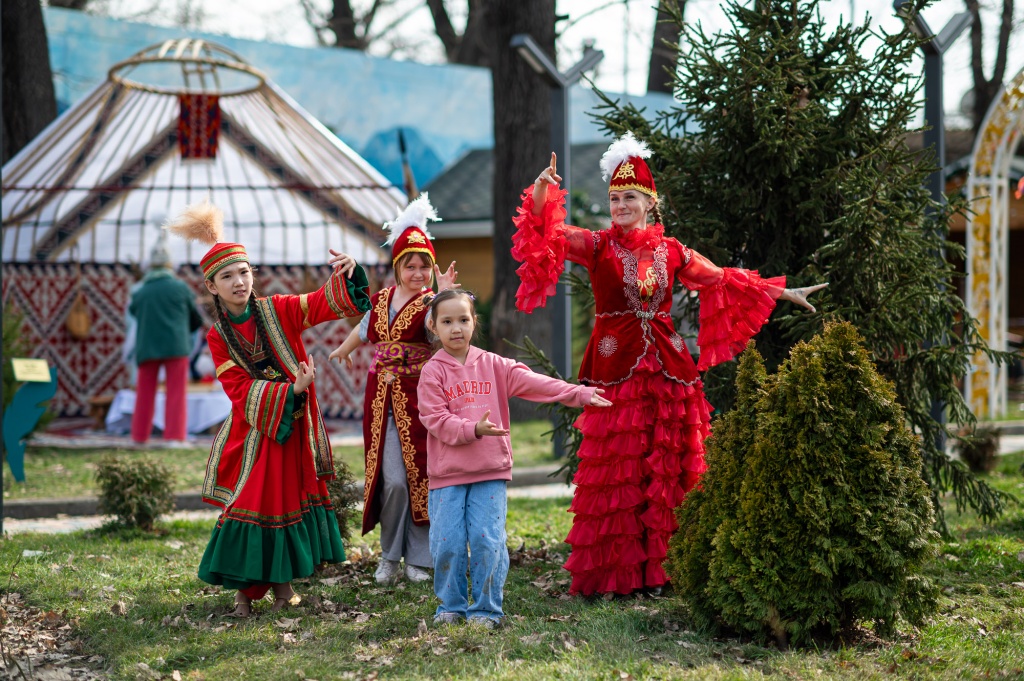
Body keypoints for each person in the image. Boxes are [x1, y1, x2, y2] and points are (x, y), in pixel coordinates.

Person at [512, 133, 825, 596]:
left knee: (667, 468)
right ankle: (618, 576)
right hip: (614, 366)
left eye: (629, 198)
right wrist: (541, 192)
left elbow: (721, 278)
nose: (620, 205)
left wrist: (782, 292)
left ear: (649, 202)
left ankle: (667, 572)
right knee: (619, 467)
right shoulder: (597, 244)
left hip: (668, 367)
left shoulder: (672, 250)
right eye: (614, 198)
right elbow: (550, 234)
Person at [164, 200, 370, 617]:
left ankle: (282, 590)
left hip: (292, 430)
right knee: (250, 504)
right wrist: (288, 390)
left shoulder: (279, 309)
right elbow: (236, 387)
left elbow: (322, 304)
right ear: (212, 286)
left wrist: (350, 274)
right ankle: (243, 594)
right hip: (254, 433)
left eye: (244, 272)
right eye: (227, 276)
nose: (239, 281)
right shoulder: (217, 336)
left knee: (284, 503)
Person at [417, 289, 613, 626]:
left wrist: (579, 393)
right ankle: (451, 606)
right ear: (433, 326)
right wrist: (473, 429)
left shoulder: (493, 365)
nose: (456, 328)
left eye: (463, 320)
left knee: (486, 539)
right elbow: (434, 419)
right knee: (447, 542)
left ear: (474, 322)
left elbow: (537, 383)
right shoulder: (432, 373)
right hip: (447, 474)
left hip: (490, 470)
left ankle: (486, 609)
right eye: (447, 321)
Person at [329, 194, 458, 585]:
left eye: (424, 266)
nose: (417, 273)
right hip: (381, 398)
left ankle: (419, 558)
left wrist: (448, 293)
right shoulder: (382, 299)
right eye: (410, 265)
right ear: (398, 265)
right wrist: (344, 349)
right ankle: (389, 555)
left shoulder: (432, 303)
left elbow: (451, 337)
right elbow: (363, 327)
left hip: (421, 398)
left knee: (420, 475)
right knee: (390, 479)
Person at [128, 233, 203, 445]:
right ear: (171, 266)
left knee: (144, 393)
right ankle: (175, 437)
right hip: (176, 345)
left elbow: (134, 313)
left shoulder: (141, 291)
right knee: (176, 393)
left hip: (147, 346)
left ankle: (139, 437)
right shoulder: (180, 288)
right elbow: (195, 317)